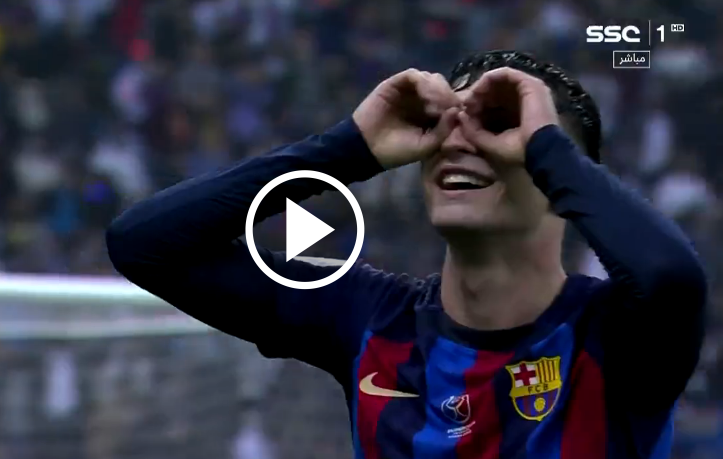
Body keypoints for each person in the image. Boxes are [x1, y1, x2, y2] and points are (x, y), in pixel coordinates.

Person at [106, 50, 707, 458]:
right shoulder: (368, 317)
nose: (460, 142)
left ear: (565, 180)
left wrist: (546, 147)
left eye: (500, 126)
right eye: (444, 124)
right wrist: (346, 149)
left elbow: (670, 277)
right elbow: (145, 245)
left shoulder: (614, 336)